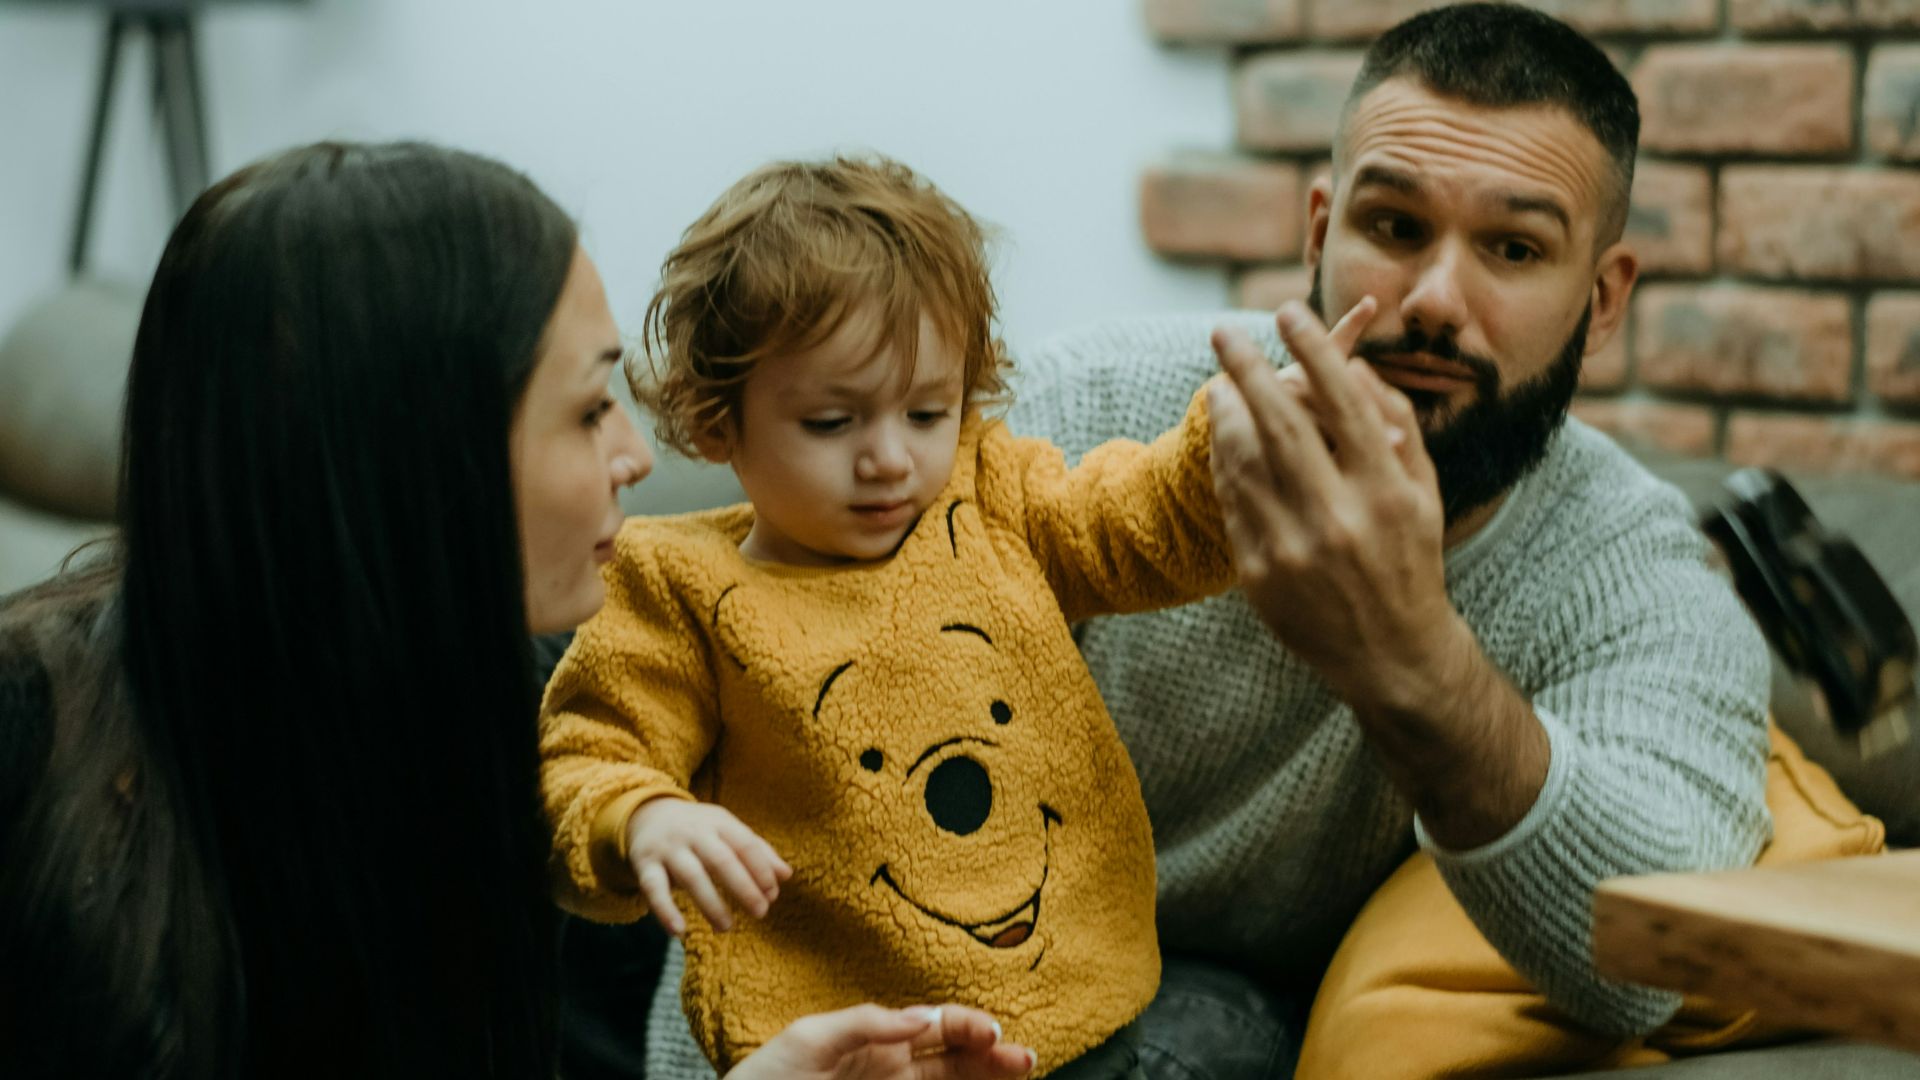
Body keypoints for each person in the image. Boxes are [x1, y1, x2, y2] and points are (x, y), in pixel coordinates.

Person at [0, 140, 1034, 1080]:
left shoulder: (543, 722)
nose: (635, 455)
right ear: (415, 457)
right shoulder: (32, 753)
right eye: (589, 410)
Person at [999, 3, 1772, 1075]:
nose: (1433, 302)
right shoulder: (1088, 407)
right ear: (1321, 235)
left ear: (1601, 301)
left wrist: (1408, 659)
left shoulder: (1636, 577)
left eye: (1513, 247)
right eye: (1396, 230)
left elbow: (1653, 959)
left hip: (1218, 1015)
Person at [540, 155, 1378, 1079]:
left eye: (928, 411)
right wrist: (643, 818)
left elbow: (1128, 522)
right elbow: (587, 755)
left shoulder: (988, 495)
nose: (890, 459)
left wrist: (1224, 459)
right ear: (715, 422)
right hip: (846, 1048)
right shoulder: (674, 588)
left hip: (1085, 1005)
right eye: (832, 423)